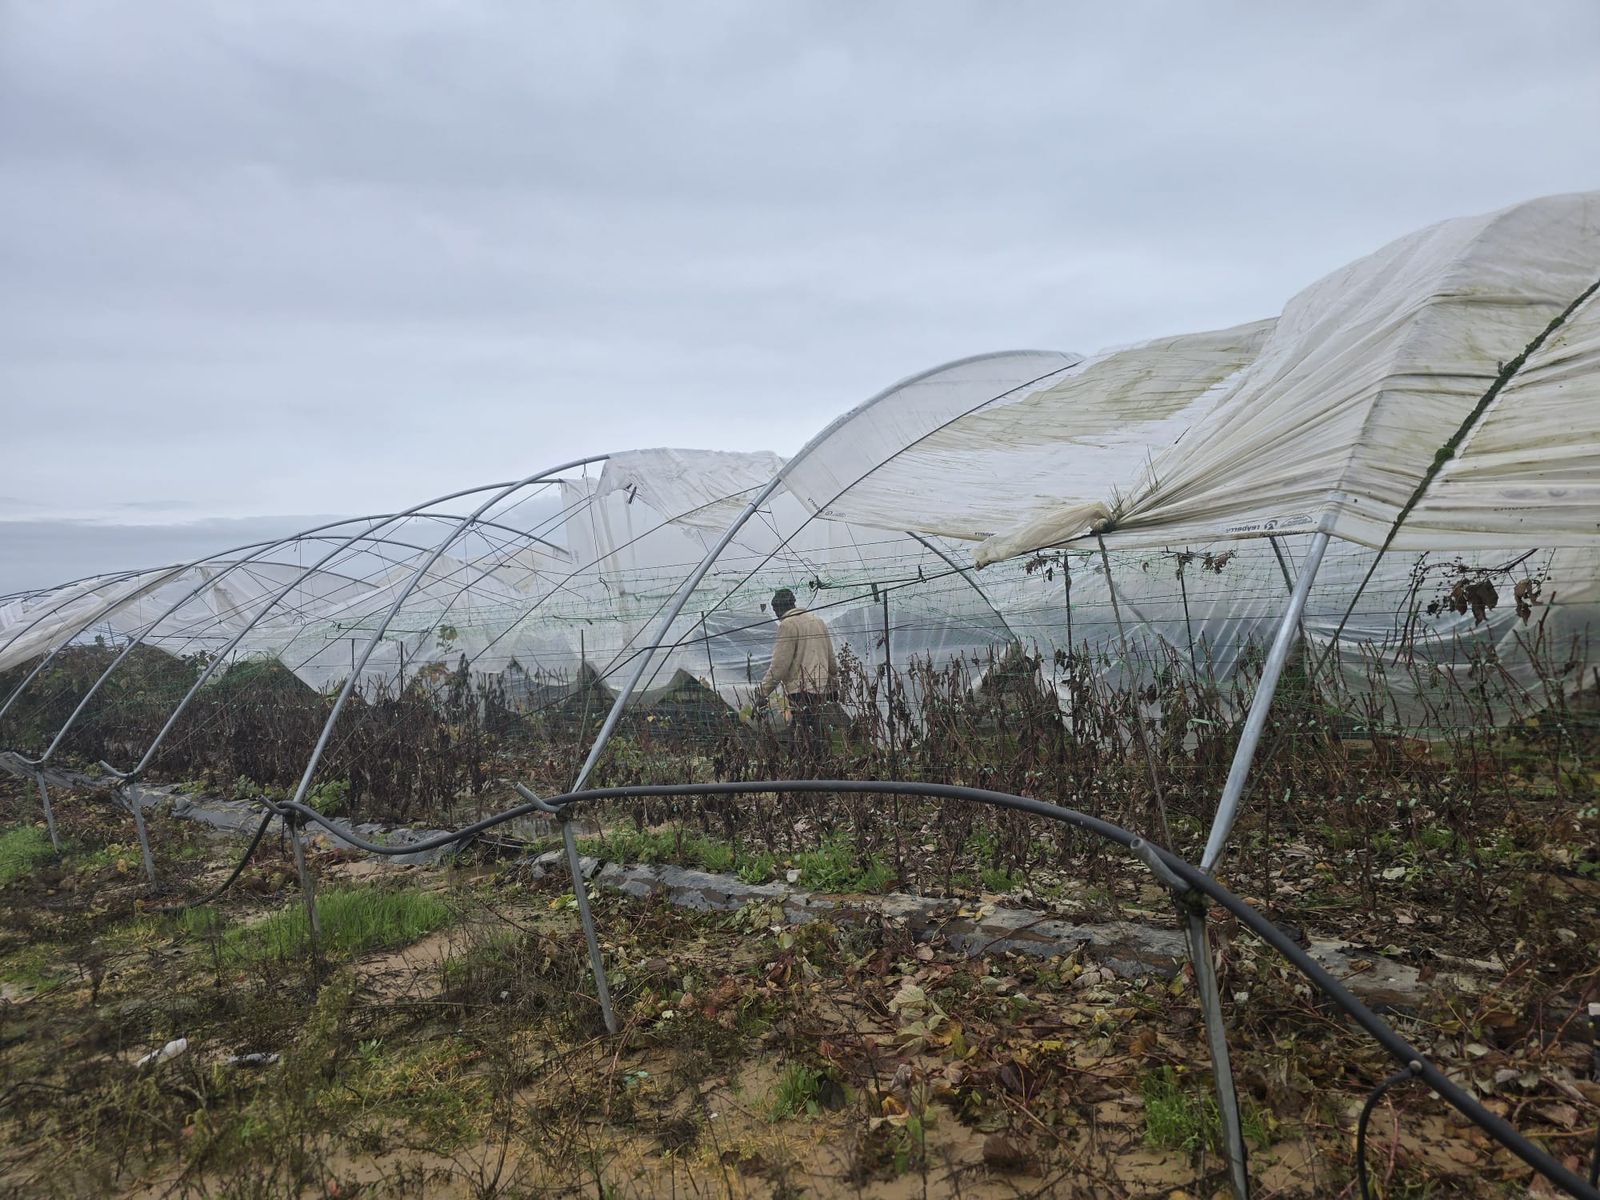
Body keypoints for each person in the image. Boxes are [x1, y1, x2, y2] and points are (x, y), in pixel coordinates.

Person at [755, 587, 837, 759]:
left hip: (801, 690)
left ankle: (800, 771)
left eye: (776, 610)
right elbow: (832, 662)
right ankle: (821, 766)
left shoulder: (788, 624)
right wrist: (831, 679)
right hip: (820, 688)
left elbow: (779, 665)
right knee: (816, 731)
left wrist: (763, 692)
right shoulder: (817, 621)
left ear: (778, 608)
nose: (777, 616)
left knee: (800, 733)